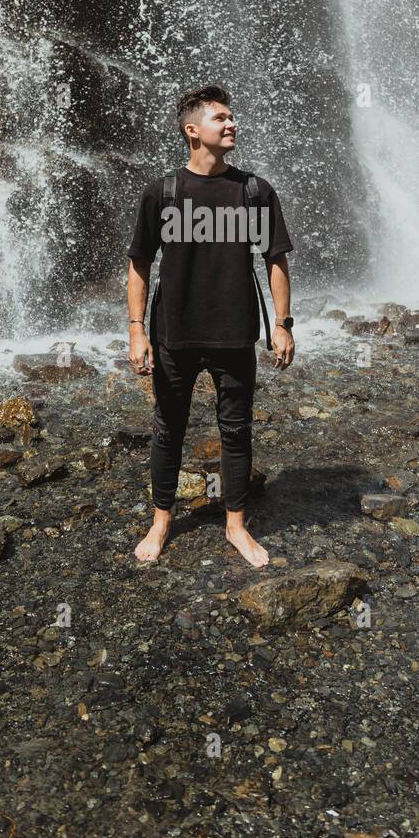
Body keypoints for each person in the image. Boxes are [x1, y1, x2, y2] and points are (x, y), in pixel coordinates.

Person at [127, 84, 295, 567]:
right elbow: (139, 263)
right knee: (168, 430)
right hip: (173, 334)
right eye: (221, 118)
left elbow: (276, 260)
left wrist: (282, 324)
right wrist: (137, 331)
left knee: (237, 431)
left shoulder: (253, 191)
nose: (231, 124)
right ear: (192, 130)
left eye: (232, 117)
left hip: (235, 334)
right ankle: (161, 522)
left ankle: (236, 527)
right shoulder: (162, 192)